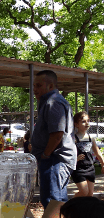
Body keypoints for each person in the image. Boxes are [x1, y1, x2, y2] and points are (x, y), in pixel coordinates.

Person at [31, 70, 77, 208]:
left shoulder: (53, 103)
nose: (34, 89)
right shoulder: (49, 102)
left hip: (54, 160)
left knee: (53, 203)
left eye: (38, 86)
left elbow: (57, 134)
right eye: (33, 86)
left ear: (50, 86)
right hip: (53, 160)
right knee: (57, 202)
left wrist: (45, 154)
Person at [71, 112, 104, 197]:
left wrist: (103, 163)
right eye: (83, 121)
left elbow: (97, 152)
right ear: (76, 124)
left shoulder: (91, 138)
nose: (87, 123)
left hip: (90, 168)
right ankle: (69, 204)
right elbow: (69, 154)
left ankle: (82, 209)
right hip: (79, 169)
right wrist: (76, 158)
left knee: (90, 194)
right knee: (84, 192)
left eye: (88, 121)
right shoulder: (74, 139)